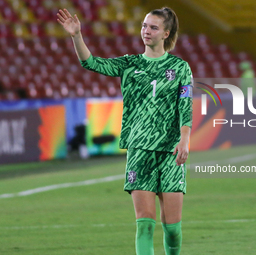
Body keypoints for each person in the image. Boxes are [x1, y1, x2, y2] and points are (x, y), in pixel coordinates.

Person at [57, 7, 193, 255]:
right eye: (144, 25)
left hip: (171, 151)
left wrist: (185, 140)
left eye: (153, 27)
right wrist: (76, 36)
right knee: (145, 225)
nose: (146, 31)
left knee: (172, 228)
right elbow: (91, 63)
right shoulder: (129, 63)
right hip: (139, 150)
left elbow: (185, 105)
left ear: (166, 32)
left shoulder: (180, 68)